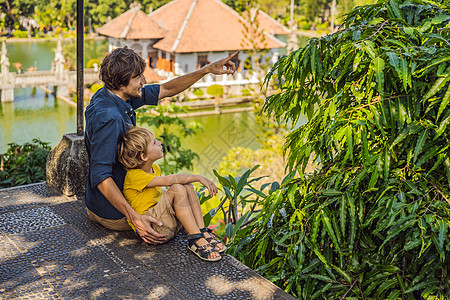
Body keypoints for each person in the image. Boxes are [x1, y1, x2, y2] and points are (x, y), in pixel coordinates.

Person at [84, 46, 238, 245]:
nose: (144, 81)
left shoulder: (111, 95)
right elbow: (101, 177)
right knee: (181, 195)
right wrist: (135, 218)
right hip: (113, 213)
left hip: (107, 202)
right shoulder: (110, 118)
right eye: (138, 77)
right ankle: (199, 239)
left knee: (180, 187)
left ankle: (201, 233)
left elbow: (165, 89)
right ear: (121, 83)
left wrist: (206, 69)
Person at [117, 126, 226, 261]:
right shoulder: (134, 176)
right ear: (144, 156)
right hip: (153, 229)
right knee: (178, 188)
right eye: (154, 143)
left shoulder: (154, 168)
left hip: (164, 222)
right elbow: (170, 180)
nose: (160, 143)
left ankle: (201, 230)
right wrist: (199, 177)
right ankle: (195, 239)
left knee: (186, 185)